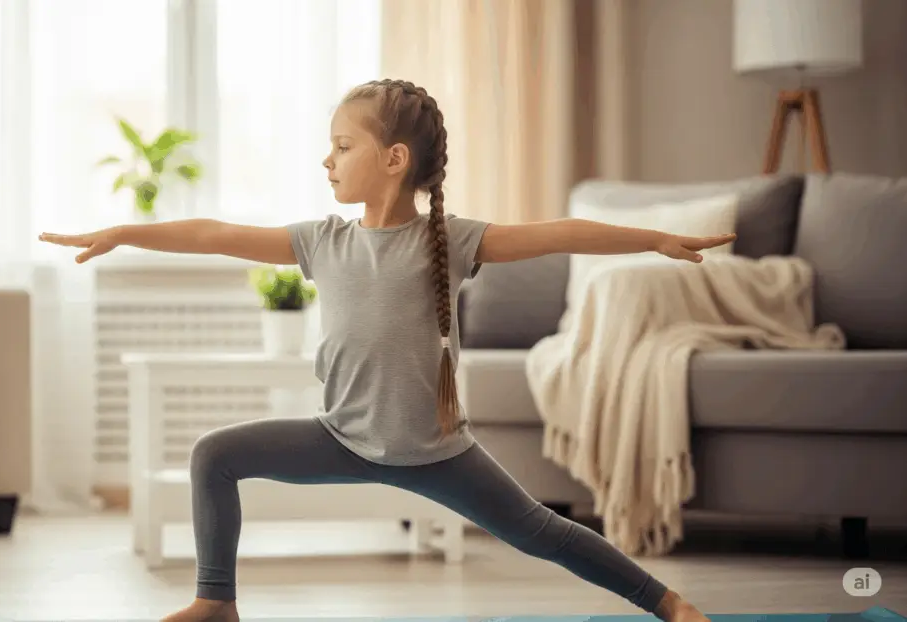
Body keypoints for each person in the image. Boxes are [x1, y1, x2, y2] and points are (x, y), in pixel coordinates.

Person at [40, 79, 733, 622]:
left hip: (439, 454)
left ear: (394, 160)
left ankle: (668, 604)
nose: (327, 158)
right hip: (340, 438)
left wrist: (655, 240)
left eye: (342, 145)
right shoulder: (321, 240)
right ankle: (217, 601)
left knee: (543, 534)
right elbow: (213, 233)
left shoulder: (455, 240)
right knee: (214, 456)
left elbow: (558, 233)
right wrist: (124, 232)